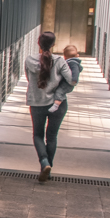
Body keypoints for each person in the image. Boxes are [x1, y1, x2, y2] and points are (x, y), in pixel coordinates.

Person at [25, 31, 73, 182]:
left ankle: (44, 163)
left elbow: (28, 78)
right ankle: (48, 169)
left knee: (38, 135)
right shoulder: (59, 61)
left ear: (38, 43)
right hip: (57, 105)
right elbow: (71, 80)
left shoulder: (29, 60)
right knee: (51, 136)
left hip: (37, 103)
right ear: (53, 45)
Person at [48, 45, 82, 113]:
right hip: (66, 83)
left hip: (67, 84)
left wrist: (74, 80)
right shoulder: (73, 62)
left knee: (59, 92)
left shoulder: (73, 63)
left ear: (65, 57)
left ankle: (56, 105)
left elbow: (75, 72)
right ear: (77, 55)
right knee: (60, 92)